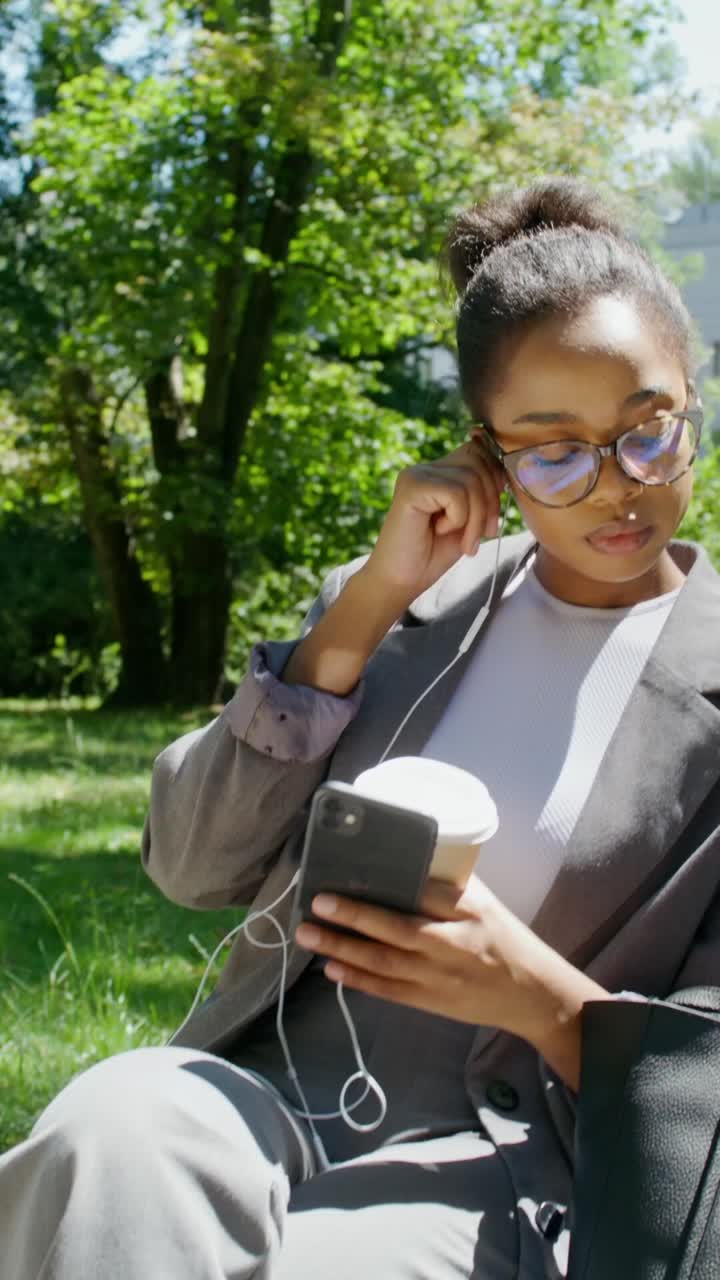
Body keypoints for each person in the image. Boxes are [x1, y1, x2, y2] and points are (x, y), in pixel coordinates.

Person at [2, 176, 720, 1280]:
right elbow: (191, 866)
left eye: (645, 432)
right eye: (552, 450)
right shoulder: (404, 608)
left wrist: (532, 993)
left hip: (507, 1163)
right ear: (488, 453)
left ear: (694, 403)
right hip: (273, 1092)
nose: (614, 487)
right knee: (112, 1126)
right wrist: (367, 605)